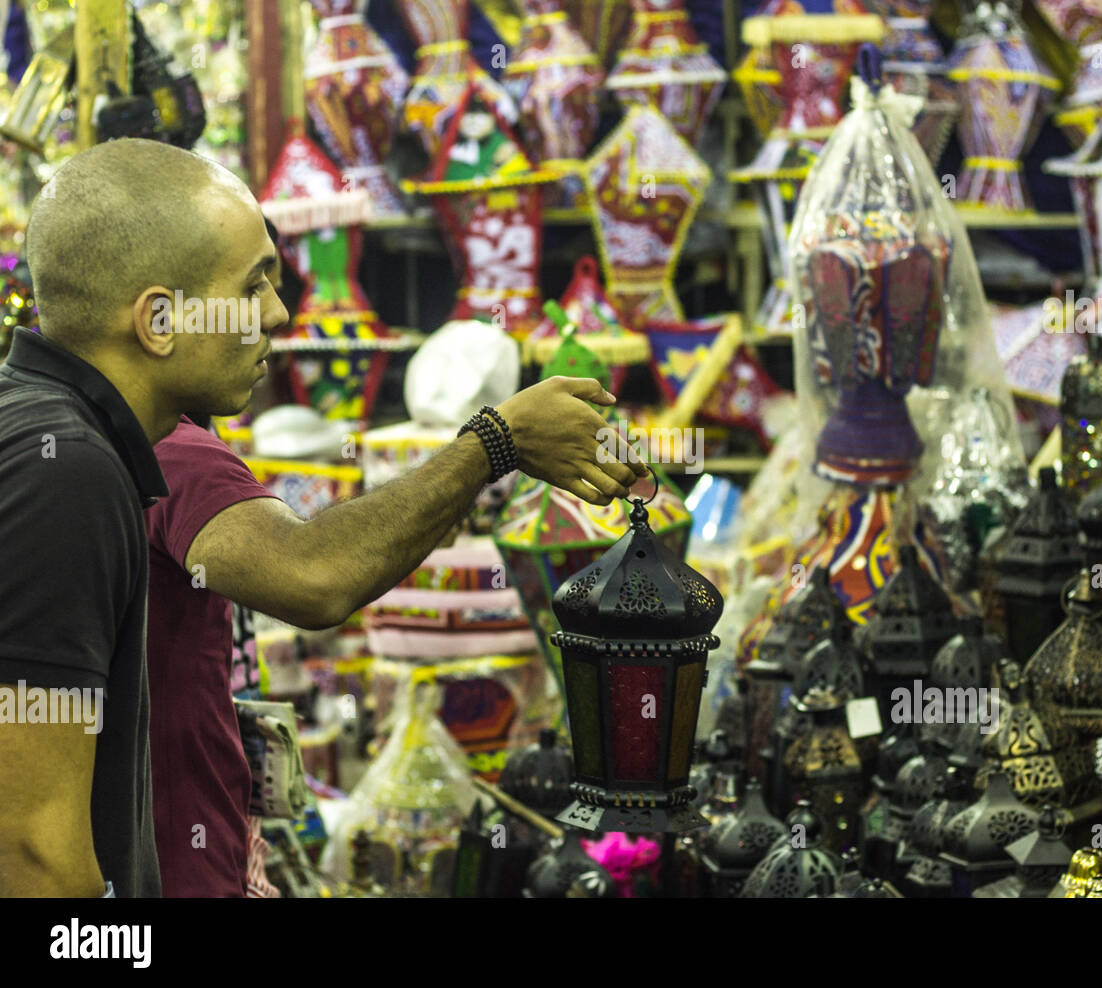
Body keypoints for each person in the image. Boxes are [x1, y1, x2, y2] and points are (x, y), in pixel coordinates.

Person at [0, 138, 643, 897]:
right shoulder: (66, 470)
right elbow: (35, 851)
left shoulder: (78, 436)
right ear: (160, 320)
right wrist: (493, 445)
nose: (277, 313)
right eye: (254, 286)